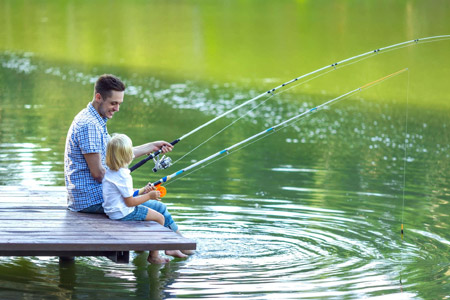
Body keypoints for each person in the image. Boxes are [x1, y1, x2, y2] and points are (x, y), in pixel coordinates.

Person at [64, 74, 173, 213]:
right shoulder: (89, 125)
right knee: (159, 209)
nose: (117, 108)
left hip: (99, 194)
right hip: (91, 200)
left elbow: (118, 155)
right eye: (113, 103)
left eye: (119, 104)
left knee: (148, 200)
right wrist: (129, 191)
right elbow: (98, 173)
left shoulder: (95, 120)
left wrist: (152, 147)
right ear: (98, 97)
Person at [102, 133, 188, 264]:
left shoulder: (111, 172)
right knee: (160, 218)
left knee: (153, 213)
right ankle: (155, 256)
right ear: (126, 156)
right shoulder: (124, 176)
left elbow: (123, 195)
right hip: (123, 213)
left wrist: (142, 191)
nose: (132, 153)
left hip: (113, 211)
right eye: (130, 151)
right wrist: (149, 196)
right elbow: (130, 202)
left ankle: (166, 247)